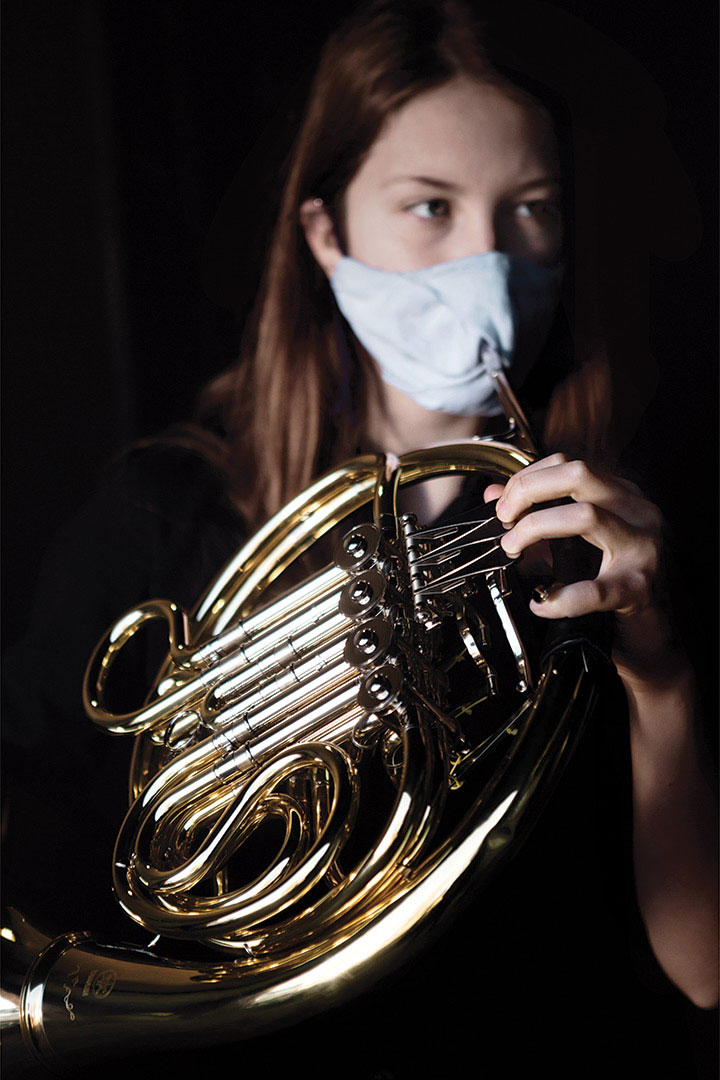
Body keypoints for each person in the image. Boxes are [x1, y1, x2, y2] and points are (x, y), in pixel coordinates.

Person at [3, 1, 717, 1077]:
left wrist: (659, 674)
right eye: (429, 207)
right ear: (327, 233)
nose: (489, 259)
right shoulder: (161, 515)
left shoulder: (636, 537)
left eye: (531, 211)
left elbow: (704, 972)